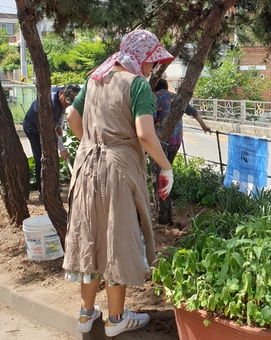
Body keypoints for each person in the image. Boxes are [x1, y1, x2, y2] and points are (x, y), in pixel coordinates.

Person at [62, 29, 175, 337]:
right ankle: (115, 319)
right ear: (142, 57)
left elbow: (72, 115)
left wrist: (92, 143)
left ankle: (86, 314)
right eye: (152, 61)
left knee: (90, 236)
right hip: (117, 170)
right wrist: (166, 167)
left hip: (86, 166)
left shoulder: (96, 78)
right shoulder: (137, 85)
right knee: (117, 238)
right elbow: (145, 135)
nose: (152, 69)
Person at [22, 83, 80, 197]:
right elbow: (50, 132)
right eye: (66, 101)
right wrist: (62, 149)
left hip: (47, 126)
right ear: (61, 93)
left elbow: (63, 110)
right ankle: (42, 190)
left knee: (51, 155)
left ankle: (52, 186)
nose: (66, 105)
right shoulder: (50, 103)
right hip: (33, 128)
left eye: (69, 103)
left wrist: (59, 125)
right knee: (40, 157)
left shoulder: (63, 95)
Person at [152, 78, 211, 164]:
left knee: (158, 167)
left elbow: (151, 117)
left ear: (154, 88)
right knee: (168, 167)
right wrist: (204, 126)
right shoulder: (177, 97)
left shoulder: (156, 98)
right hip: (176, 139)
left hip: (160, 139)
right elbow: (193, 111)